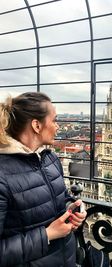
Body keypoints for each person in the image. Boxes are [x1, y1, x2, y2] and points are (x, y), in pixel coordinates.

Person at [0, 92, 87, 267]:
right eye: (54, 120)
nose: (58, 126)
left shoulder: (50, 159)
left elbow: (59, 199)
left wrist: (72, 207)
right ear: (37, 125)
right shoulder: (2, 174)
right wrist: (47, 235)